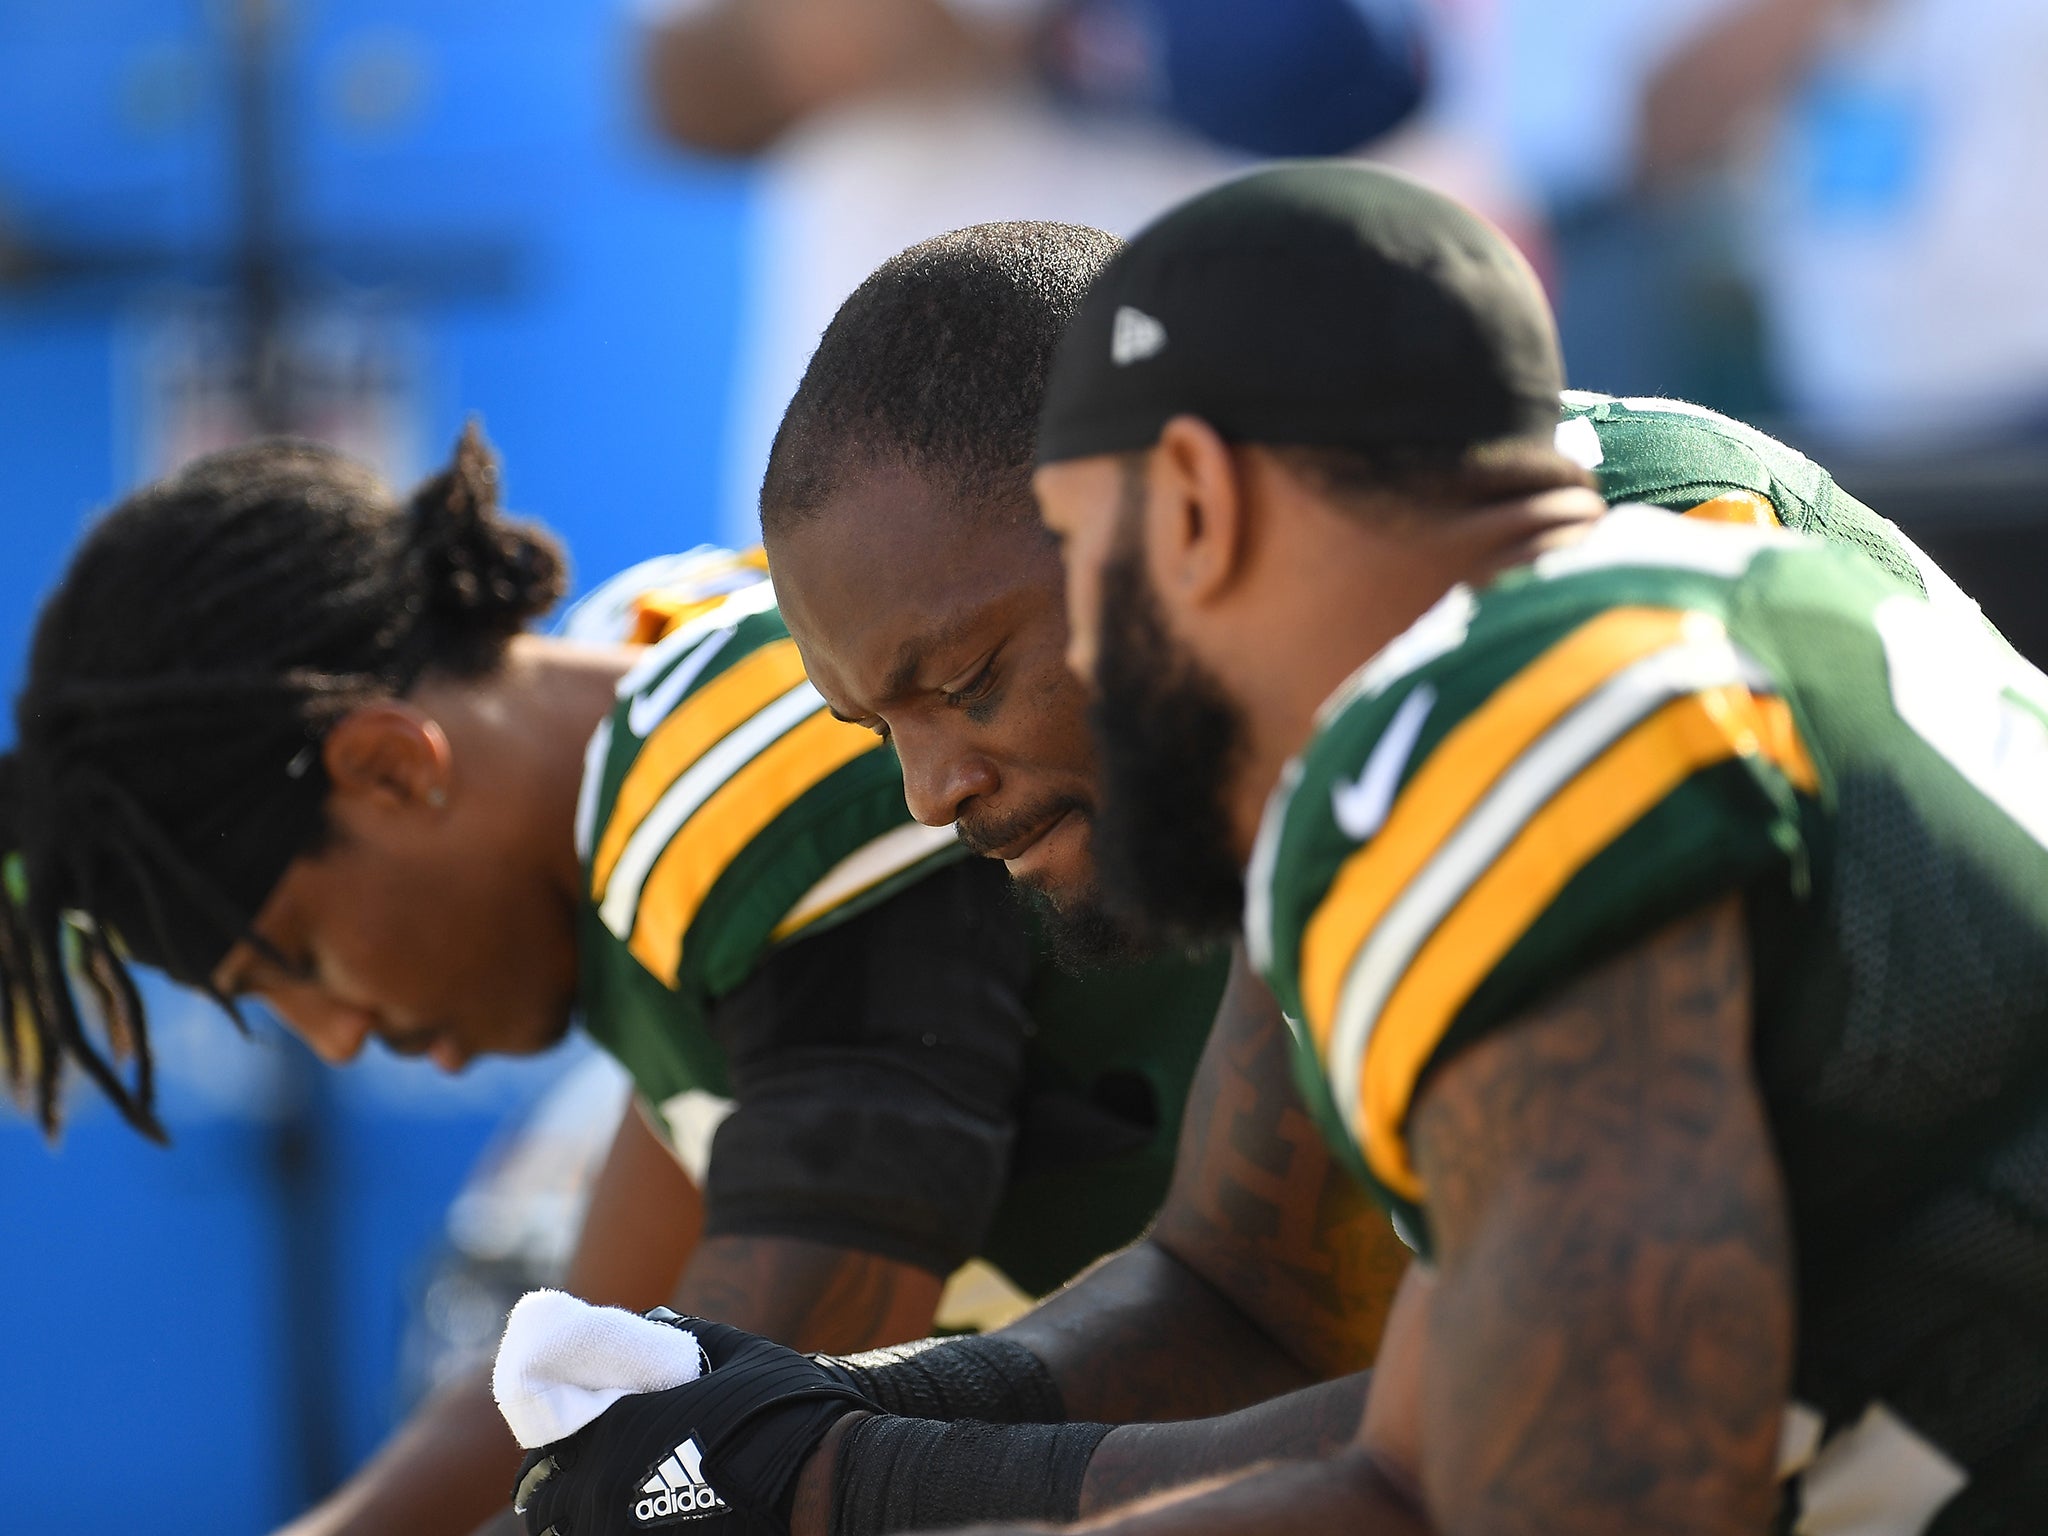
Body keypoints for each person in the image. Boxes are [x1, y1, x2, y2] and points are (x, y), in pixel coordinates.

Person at [503, 205, 2019, 1536]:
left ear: (1197, 511)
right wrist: (800, 1430)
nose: (928, 789)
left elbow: (1485, 1493)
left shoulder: (1525, 712)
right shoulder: (1588, 618)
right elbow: (1257, 1292)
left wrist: (837, 1487)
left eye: (971, 675)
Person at [1026, 163, 2048, 1529]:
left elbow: (1595, 1500)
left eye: (1078, 551)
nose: (1087, 653)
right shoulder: (1746, 596)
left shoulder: (1493, 721)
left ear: (1199, 503)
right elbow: (1416, 1472)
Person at [0, 416, 1228, 1536]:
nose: (329, 1038)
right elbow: (605, 1347)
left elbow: (705, 1452)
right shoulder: (639, 763)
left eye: (298, 964)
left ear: (388, 768)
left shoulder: (722, 808)